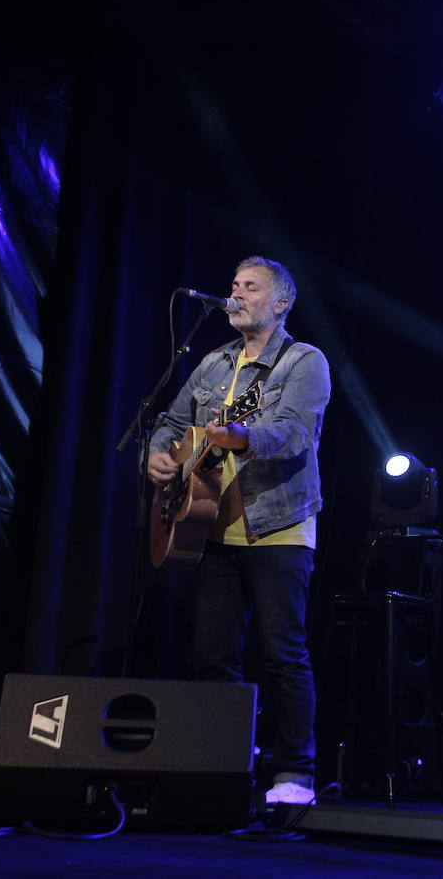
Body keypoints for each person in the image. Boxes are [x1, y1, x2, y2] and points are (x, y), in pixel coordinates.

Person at [147, 256, 330, 805]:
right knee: (213, 653)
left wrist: (242, 438)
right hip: (208, 530)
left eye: (250, 287)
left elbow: (294, 433)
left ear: (281, 303)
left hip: (277, 526)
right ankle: (220, 765)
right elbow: (173, 423)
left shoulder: (303, 362)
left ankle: (294, 772)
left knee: (281, 653)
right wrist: (157, 455)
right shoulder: (212, 364)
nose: (236, 293)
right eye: (233, 285)